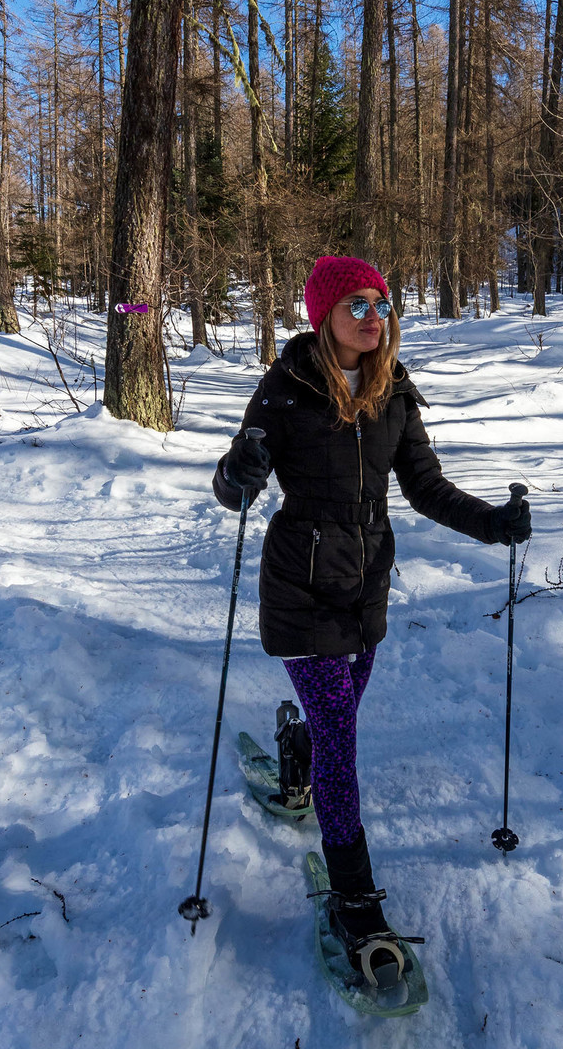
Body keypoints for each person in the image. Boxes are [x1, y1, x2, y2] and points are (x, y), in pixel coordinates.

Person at [213, 253, 531, 989]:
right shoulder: (287, 388)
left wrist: (496, 524)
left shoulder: (393, 391)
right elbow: (230, 485)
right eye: (356, 303)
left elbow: (425, 486)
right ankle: (356, 898)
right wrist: (242, 469)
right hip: (300, 588)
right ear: (324, 313)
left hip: (364, 590)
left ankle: (300, 763)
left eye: (381, 303)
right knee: (341, 740)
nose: (372, 315)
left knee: (339, 715)